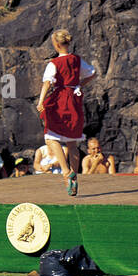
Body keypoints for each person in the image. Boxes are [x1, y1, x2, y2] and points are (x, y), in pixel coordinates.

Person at [36, 29, 96, 195]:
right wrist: (79, 85)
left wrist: (41, 101)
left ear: (56, 44)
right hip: (75, 100)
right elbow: (92, 73)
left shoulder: (54, 63)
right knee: (72, 141)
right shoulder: (77, 60)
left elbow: (47, 83)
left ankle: (65, 172)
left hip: (60, 99)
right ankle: (74, 178)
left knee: (51, 136)